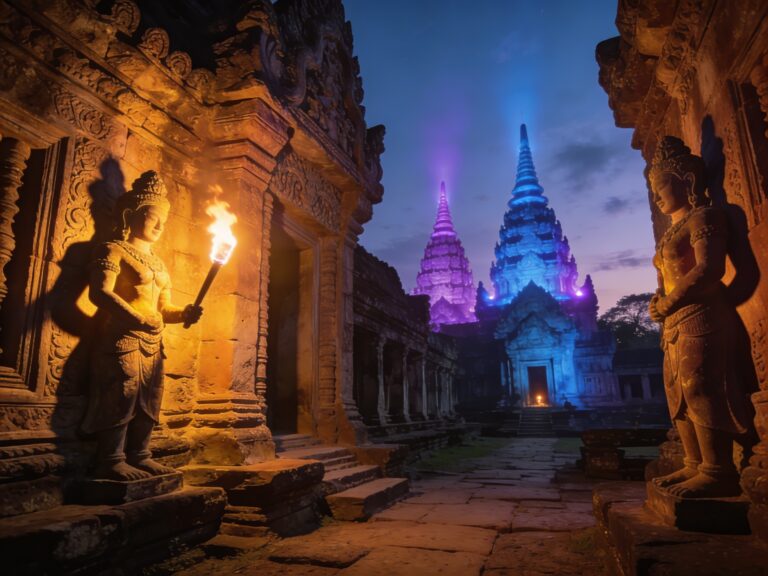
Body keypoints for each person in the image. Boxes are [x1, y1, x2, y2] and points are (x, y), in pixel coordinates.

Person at [649, 136, 756, 498]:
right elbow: (670, 275)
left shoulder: (706, 217)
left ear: (687, 181)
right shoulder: (670, 234)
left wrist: (671, 302)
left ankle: (717, 469)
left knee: (701, 386)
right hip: (675, 320)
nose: (656, 196)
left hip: (702, 314)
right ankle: (694, 464)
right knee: (676, 391)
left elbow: (711, 269)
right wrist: (659, 302)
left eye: (660, 185)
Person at [83, 171, 203, 481]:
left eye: (164, 220)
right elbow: (100, 293)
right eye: (153, 218)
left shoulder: (159, 264)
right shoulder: (112, 250)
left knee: (150, 398)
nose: (160, 226)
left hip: (153, 339)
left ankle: (141, 454)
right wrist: (136, 318)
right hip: (122, 336)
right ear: (130, 215)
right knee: (122, 393)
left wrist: (185, 313)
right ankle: (110, 458)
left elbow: (163, 309)